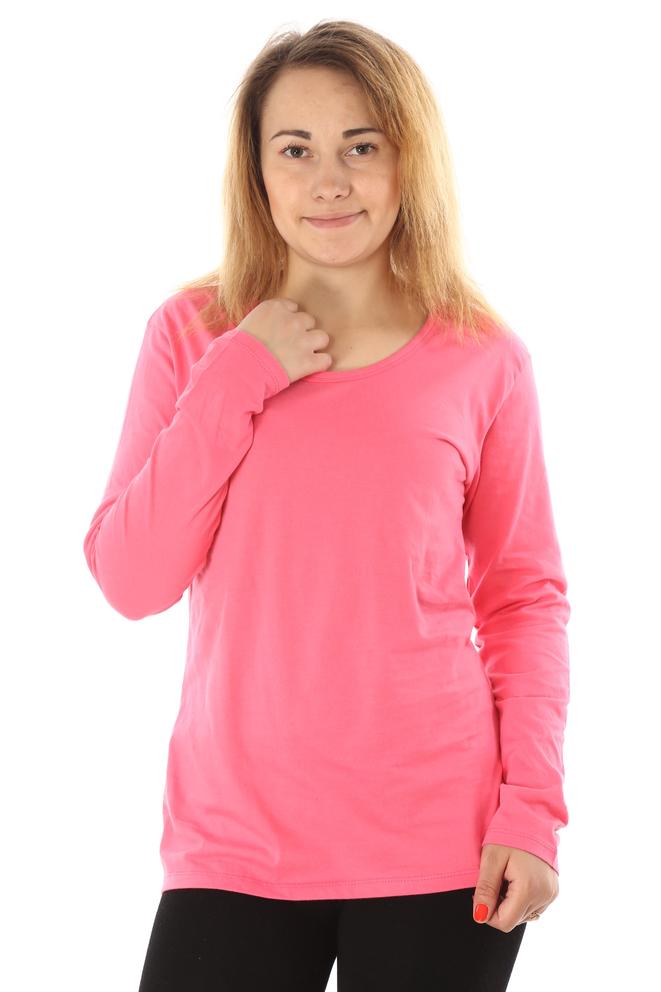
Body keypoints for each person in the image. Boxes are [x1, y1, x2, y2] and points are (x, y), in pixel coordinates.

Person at [83, 19, 571, 992]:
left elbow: (523, 599)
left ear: (407, 159)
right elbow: (133, 580)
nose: (329, 181)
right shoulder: (191, 336)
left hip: (443, 840)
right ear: (257, 170)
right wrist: (241, 372)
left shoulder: (482, 358)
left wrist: (532, 811)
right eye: (295, 150)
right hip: (232, 839)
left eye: (361, 146)